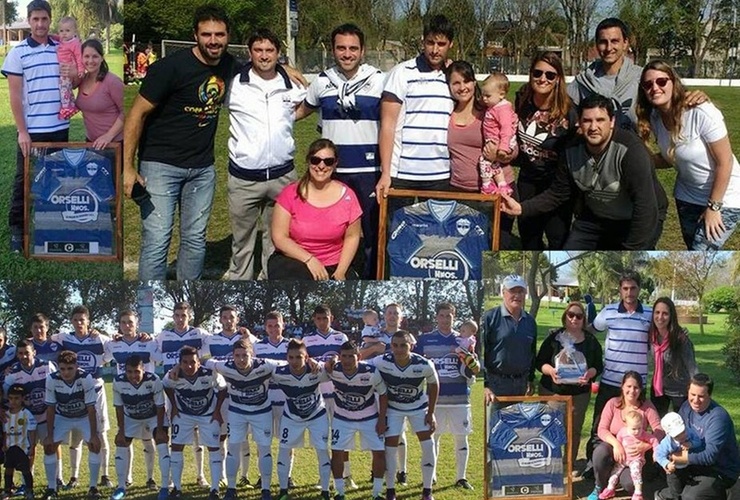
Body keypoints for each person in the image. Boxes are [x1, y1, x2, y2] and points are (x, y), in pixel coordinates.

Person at [123, 5, 235, 280]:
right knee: (157, 240)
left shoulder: (230, 65)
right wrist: (127, 166)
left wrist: (284, 67)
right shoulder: (169, 68)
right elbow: (136, 114)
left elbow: (262, 64)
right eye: (206, 34)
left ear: (227, 36)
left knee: (195, 240)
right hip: (160, 167)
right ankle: (148, 304)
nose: (213, 41)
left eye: (219, 34)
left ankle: (188, 299)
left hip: (202, 169)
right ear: (194, 35)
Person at [501, 94, 668, 250]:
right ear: (579, 123)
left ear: (612, 121)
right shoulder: (572, 150)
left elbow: (645, 206)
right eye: (587, 121)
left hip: (637, 216)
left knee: (625, 266)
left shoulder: (630, 149)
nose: (593, 127)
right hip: (595, 216)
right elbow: (558, 193)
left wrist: (632, 252)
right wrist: (522, 208)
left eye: (600, 120)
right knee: (566, 266)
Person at [295, 23, 385, 279]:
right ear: (333, 50)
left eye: (353, 48)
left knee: (371, 233)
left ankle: (370, 279)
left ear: (363, 50)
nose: (347, 54)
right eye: (341, 48)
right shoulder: (322, 81)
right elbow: (300, 111)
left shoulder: (379, 80)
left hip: (369, 170)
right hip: (329, 171)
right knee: (331, 231)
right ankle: (334, 275)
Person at [226, 28, 306, 280]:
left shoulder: (291, 83)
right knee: (242, 242)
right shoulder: (234, 81)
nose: (263, 56)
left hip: (283, 177)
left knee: (276, 241)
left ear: (278, 53)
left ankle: (268, 281)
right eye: (258, 50)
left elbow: (306, 106)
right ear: (249, 53)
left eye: (269, 50)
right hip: (244, 179)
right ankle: (241, 282)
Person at [636, 59, 740, 250]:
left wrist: (714, 207)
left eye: (661, 81)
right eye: (648, 84)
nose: (655, 88)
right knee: (693, 249)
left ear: (673, 83)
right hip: (687, 196)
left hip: (725, 197)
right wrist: (638, 160)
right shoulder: (655, 118)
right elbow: (671, 157)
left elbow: (725, 162)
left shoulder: (701, 112)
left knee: (702, 252)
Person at [1, 0, 72, 252]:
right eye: (35, 19)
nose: (40, 24)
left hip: (59, 126)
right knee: (24, 180)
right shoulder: (18, 52)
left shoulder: (61, 48)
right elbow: (15, 96)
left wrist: (73, 73)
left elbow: (71, 83)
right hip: (33, 130)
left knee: (56, 178)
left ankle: (51, 225)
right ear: (29, 21)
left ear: (50, 19)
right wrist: (22, 131)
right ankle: (17, 230)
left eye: (44, 19)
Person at [375, 14, 455, 202]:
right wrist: (386, 172)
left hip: (441, 174)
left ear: (451, 44)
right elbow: (387, 125)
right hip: (403, 174)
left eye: (441, 44)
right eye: (430, 43)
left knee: (437, 232)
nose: (435, 50)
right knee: (398, 231)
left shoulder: (455, 77)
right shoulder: (402, 73)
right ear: (423, 42)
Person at [585, 271, 652, 473]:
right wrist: (567, 330)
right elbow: (591, 329)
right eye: (625, 288)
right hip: (611, 381)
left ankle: (632, 465)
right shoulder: (608, 311)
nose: (629, 292)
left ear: (639, 289)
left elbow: (666, 330)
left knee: (637, 427)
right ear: (620, 290)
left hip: (636, 387)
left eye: (633, 288)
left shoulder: (649, 314)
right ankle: (594, 464)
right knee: (600, 424)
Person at [445, 60, 515, 249]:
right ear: (449, 86)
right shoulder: (445, 113)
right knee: (466, 246)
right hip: (459, 190)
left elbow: (513, 147)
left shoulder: (490, 110)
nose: (462, 87)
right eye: (456, 83)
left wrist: (499, 156)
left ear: (474, 83)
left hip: (496, 188)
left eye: (466, 81)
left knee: (498, 243)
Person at [268, 139, 362, 280]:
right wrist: (309, 259)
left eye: (328, 161)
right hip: (295, 259)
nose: (321, 166)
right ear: (308, 161)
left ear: (335, 164)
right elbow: (279, 237)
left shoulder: (348, 196)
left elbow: (352, 236)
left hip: (335, 263)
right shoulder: (290, 193)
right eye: (316, 160)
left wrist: (341, 271)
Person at [512, 51, 577, 250]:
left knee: (558, 241)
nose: (543, 79)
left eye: (550, 75)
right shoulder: (522, 100)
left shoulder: (569, 112)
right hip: (528, 181)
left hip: (556, 186)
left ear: (558, 79)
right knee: (529, 240)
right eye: (537, 73)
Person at [203, 339, 283, 500]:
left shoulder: (265, 364)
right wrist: (177, 367)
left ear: (252, 354)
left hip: (261, 412)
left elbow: (288, 363)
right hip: (237, 412)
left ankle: (265, 490)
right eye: (237, 356)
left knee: (265, 450)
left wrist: (310, 362)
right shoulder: (225, 366)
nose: (241, 360)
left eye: (245, 355)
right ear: (232, 356)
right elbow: (205, 360)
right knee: (233, 449)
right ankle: (231, 489)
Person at [414, 303, 480, 490]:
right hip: (434, 401)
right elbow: (415, 363)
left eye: (448, 316)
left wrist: (471, 360)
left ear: (454, 317)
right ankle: (431, 475)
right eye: (441, 316)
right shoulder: (425, 340)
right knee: (433, 438)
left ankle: (461, 477)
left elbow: (476, 368)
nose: (445, 319)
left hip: (460, 399)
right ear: (436, 317)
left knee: (461, 438)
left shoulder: (463, 340)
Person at [373, 330, 439, 500]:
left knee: (428, 444)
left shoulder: (424, 364)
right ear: (390, 346)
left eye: (403, 345)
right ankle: (391, 490)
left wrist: (431, 413)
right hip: (393, 409)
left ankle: (427, 490)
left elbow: (434, 385)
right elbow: (360, 365)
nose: (399, 349)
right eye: (395, 345)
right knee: (390, 446)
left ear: (411, 346)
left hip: (418, 408)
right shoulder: (381, 362)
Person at [52, 305, 113, 489]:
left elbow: (116, 345)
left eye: (82, 320)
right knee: (76, 438)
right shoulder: (64, 338)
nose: (79, 323)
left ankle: (105, 474)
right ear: (71, 321)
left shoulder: (100, 339)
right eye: (76, 319)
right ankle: (74, 475)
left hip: (96, 392)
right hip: (74, 394)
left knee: (101, 435)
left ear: (88, 321)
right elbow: (43, 339)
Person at [536, 301, 604, 467]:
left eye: (579, 316)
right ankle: (551, 465)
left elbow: (598, 366)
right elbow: (540, 363)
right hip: (552, 392)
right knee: (550, 429)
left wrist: (589, 374)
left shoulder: (590, 341)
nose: (574, 319)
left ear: (583, 319)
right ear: (565, 317)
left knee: (573, 431)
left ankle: (569, 465)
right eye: (571, 315)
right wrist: (551, 371)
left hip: (579, 395)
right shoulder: (554, 337)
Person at [655, 374, 740, 500]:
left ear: (709, 395)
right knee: (660, 467)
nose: (695, 400)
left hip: (719, 470)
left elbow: (709, 456)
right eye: (692, 394)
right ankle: (671, 494)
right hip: (692, 463)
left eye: (701, 396)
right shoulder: (686, 407)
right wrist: (666, 457)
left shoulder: (718, 418)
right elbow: (675, 435)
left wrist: (676, 458)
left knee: (690, 496)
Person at [155, 302, 210, 488]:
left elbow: (222, 339)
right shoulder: (163, 336)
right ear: (173, 317)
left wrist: (246, 334)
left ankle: (201, 475)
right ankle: (171, 477)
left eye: (183, 316)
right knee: (173, 435)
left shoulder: (200, 334)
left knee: (197, 434)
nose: (180, 319)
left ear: (189, 316)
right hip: (172, 391)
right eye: (177, 315)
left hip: (194, 391)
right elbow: (146, 346)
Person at [162, 346, 227, 500]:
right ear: (180, 363)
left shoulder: (210, 374)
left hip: (207, 415)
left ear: (199, 362)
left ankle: (214, 489)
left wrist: (217, 410)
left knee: (214, 447)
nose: (189, 366)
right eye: (185, 362)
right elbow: (166, 386)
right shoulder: (172, 375)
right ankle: (177, 488)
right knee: (177, 446)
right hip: (184, 415)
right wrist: (174, 407)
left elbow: (223, 389)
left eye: (193, 362)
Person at [271, 339, 332, 500]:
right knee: (284, 449)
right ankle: (283, 491)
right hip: (291, 417)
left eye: (299, 357)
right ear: (286, 358)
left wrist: (327, 361)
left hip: (317, 415)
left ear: (306, 357)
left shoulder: (316, 371)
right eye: (291, 357)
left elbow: (335, 363)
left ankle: (325, 491)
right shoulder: (278, 373)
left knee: (322, 450)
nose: (295, 361)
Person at [588, 371, 664, 500]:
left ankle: (618, 480)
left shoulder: (646, 406)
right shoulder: (613, 403)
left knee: (630, 485)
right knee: (600, 452)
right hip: (614, 447)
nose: (632, 391)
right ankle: (599, 486)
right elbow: (601, 429)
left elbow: (659, 429)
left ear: (640, 389)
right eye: (628, 386)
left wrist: (646, 445)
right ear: (622, 387)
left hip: (635, 455)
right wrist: (616, 444)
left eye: (636, 387)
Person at [327, 341, 388, 500]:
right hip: (342, 418)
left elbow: (383, 394)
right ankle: (339, 492)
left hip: (369, 418)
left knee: (379, 453)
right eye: (344, 356)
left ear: (359, 357)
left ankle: (377, 492)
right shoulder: (334, 369)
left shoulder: (371, 372)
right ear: (340, 357)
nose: (347, 360)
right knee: (337, 452)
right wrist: (329, 360)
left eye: (351, 356)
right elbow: (313, 365)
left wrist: (382, 419)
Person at [43, 350, 102, 500]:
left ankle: (93, 487)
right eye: (62, 368)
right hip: (62, 416)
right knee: (49, 448)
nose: (66, 373)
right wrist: (49, 436)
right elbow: (50, 408)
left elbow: (91, 408)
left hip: (83, 416)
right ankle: (51, 488)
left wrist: (94, 435)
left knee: (95, 446)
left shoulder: (86, 378)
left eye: (70, 368)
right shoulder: (51, 378)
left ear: (76, 366)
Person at [3, 339, 60, 491]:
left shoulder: (47, 366)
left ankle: (55, 481)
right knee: (27, 451)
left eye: (26, 353)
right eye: (20, 353)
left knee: (51, 448)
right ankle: (25, 483)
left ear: (33, 352)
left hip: (47, 416)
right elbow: (4, 393)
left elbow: (58, 384)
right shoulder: (13, 373)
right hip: (27, 419)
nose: (23, 356)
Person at [567, 18, 643, 130]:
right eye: (603, 42)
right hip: (593, 146)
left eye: (614, 41)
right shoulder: (583, 82)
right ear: (597, 45)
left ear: (625, 43)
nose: (608, 48)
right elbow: (562, 107)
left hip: (631, 145)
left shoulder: (641, 78)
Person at [111, 355, 169, 500]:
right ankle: (121, 487)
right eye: (129, 372)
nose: (133, 375)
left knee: (162, 443)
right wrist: (121, 431)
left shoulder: (153, 380)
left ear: (143, 369)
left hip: (153, 417)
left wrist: (161, 430)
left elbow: (160, 407)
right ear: (125, 371)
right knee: (121, 443)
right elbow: (119, 408)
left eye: (137, 371)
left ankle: (165, 486)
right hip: (131, 418)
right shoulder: (118, 381)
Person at [482, 275, 538, 406]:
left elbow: (531, 353)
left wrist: (530, 379)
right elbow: (482, 352)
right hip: (496, 384)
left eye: (521, 291)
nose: (517, 295)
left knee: (516, 425)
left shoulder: (530, 321)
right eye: (512, 291)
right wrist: (486, 385)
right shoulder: (489, 318)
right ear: (503, 293)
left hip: (520, 385)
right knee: (496, 426)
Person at [649, 297, 698, 416]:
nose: (660, 317)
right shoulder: (651, 336)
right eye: (657, 312)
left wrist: (697, 389)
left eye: (665, 313)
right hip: (658, 389)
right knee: (658, 426)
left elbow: (692, 367)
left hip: (680, 391)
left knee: (681, 428)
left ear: (671, 316)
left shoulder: (681, 338)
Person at [598, 411, 659, 500]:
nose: (637, 431)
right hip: (623, 459)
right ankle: (610, 488)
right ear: (626, 425)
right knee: (614, 473)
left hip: (636, 459)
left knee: (636, 473)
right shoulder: (622, 432)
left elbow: (654, 440)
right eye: (634, 429)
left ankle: (638, 493)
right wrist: (617, 449)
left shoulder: (644, 434)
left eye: (639, 428)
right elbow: (618, 441)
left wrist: (656, 452)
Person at [75, 39, 124, 149]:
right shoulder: (82, 80)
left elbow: (125, 112)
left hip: (113, 144)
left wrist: (108, 136)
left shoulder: (112, 82)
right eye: (86, 56)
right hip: (91, 142)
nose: (90, 61)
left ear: (102, 58)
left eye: (95, 56)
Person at [479, 72, 517, 195]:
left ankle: (486, 184)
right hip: (496, 141)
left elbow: (507, 129)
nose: (484, 99)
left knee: (484, 161)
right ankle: (502, 184)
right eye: (483, 95)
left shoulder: (502, 109)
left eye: (488, 96)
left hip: (502, 142)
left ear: (501, 95)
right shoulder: (494, 106)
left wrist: (503, 148)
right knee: (494, 163)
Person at [655, 412, 703, 500]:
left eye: (683, 432)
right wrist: (667, 464)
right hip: (674, 470)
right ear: (668, 434)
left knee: (686, 488)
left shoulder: (689, 432)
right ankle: (661, 495)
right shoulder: (667, 443)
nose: (682, 436)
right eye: (677, 435)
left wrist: (691, 444)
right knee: (677, 493)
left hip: (688, 465)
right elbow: (659, 455)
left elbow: (699, 442)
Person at [2, 385, 36, 500]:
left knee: (25, 469)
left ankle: (29, 491)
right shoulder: (6, 414)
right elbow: (5, 431)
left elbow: (32, 430)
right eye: (11, 398)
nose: (13, 401)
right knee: (8, 468)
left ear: (22, 398)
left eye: (16, 398)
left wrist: (32, 446)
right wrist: (4, 444)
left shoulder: (26, 413)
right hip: (10, 447)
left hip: (22, 446)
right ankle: (7, 490)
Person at [54, 16, 83, 119]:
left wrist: (80, 70)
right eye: (61, 31)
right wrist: (50, 36)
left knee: (63, 88)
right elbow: (56, 37)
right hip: (63, 68)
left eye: (67, 30)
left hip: (68, 69)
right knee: (68, 89)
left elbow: (79, 57)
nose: (64, 33)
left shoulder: (74, 43)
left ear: (74, 31)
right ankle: (72, 104)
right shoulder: (62, 40)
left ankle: (66, 108)